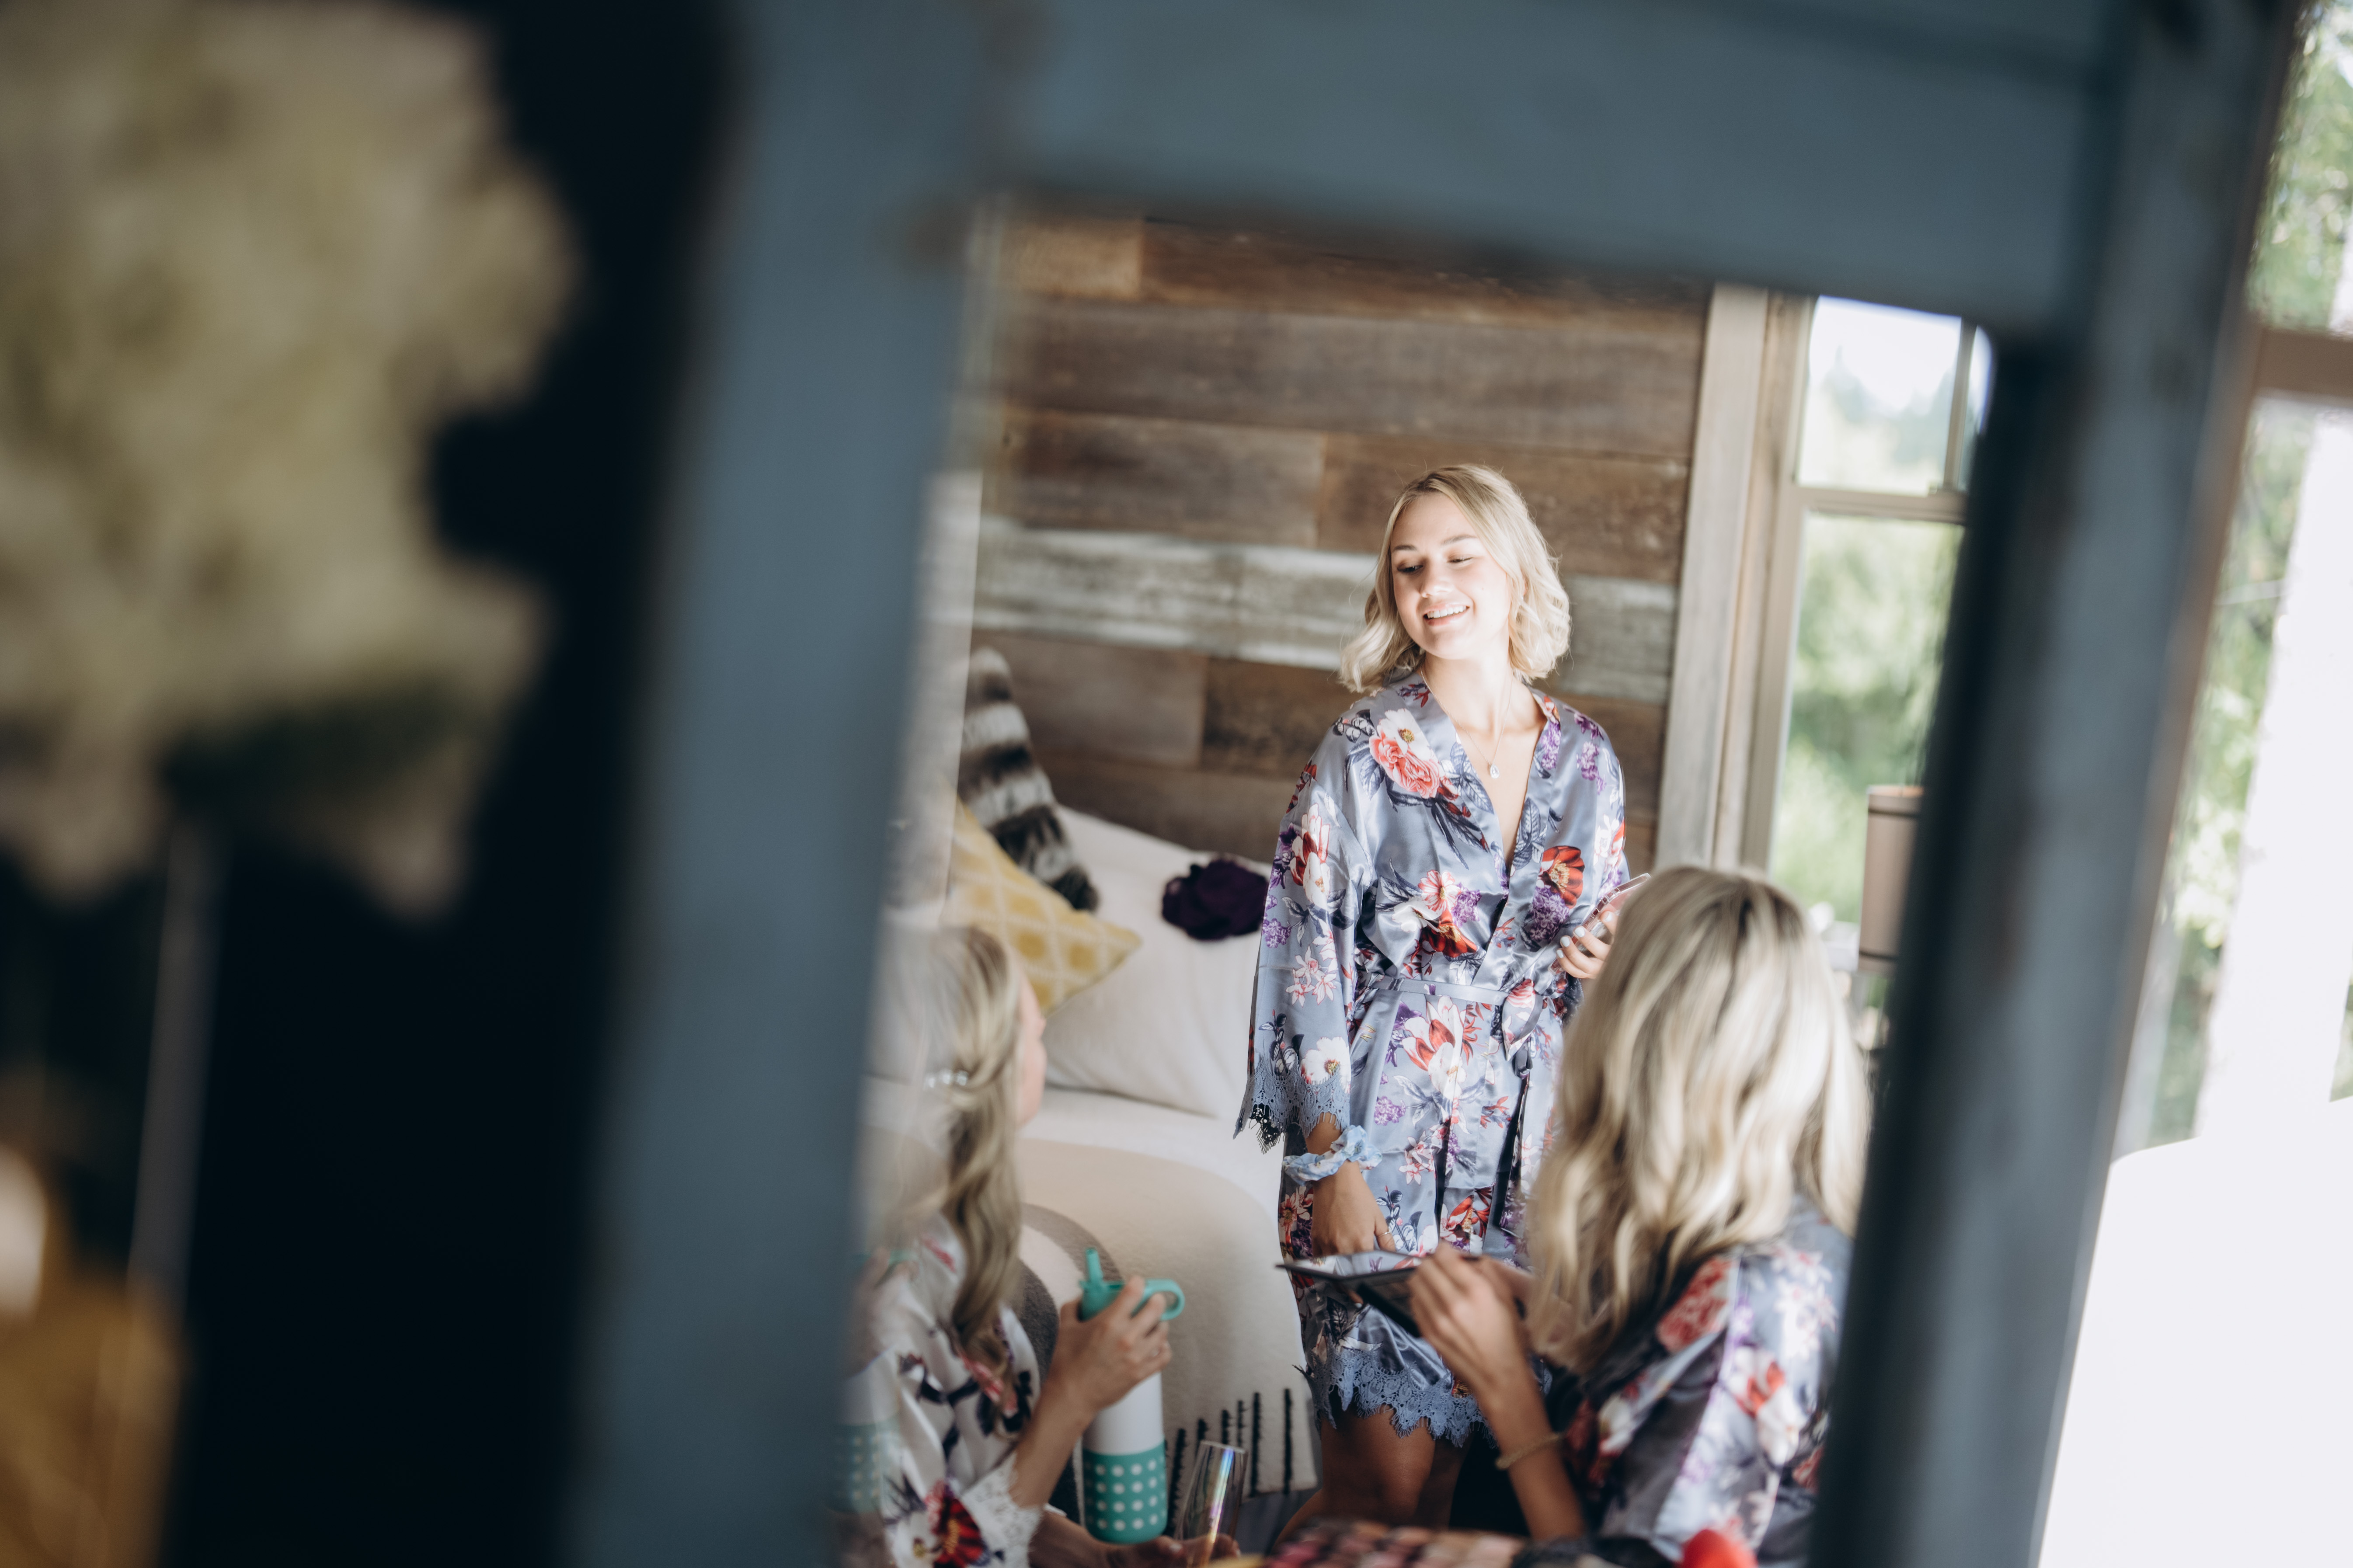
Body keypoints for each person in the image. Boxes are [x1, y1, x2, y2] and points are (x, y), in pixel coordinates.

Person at [1240, 465, 1632, 1526]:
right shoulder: (1363, 752)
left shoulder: (1586, 759)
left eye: (1460, 558)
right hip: (1376, 1143)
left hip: (1527, 1166)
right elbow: (1305, 955)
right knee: (1382, 1487)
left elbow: (1602, 943)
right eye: (1410, 567)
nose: (1433, 585)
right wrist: (1329, 1164)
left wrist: (1606, 950)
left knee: (1453, 1492)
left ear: (1515, 573)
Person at [1409, 869, 1872, 1568]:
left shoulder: (1749, 1307)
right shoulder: (1783, 1220)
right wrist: (1564, 1328)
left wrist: (1506, 1388)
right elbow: (1674, 1393)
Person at [842, 926, 1184, 1568]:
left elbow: (954, 1494)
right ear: (996, 1060)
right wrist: (1072, 1398)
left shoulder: (957, 1249)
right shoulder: (891, 1288)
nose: (1043, 1041)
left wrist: (1103, 1560)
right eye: (1034, 1031)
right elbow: (927, 1557)